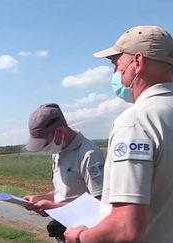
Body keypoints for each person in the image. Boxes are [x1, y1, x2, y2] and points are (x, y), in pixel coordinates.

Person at [64, 25, 173, 243]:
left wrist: (79, 236)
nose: (116, 72)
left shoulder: (136, 121)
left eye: (116, 64)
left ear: (138, 62)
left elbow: (125, 228)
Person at [24, 103, 105, 242]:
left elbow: (100, 205)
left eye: (44, 143)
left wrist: (54, 207)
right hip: (64, 231)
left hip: (83, 234)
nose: (44, 149)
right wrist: (40, 199)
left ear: (59, 133)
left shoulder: (88, 154)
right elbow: (62, 191)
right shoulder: (58, 151)